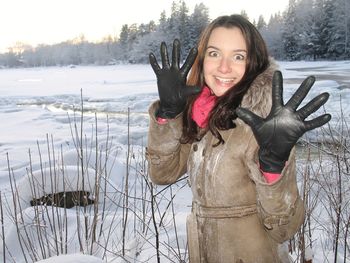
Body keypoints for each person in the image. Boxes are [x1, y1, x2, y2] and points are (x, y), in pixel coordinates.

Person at [146, 14, 331, 263]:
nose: (224, 67)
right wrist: (169, 114)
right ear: (201, 60)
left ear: (252, 63)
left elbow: (283, 230)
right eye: (214, 53)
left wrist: (273, 166)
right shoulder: (202, 114)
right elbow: (162, 174)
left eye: (238, 56)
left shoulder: (265, 127)